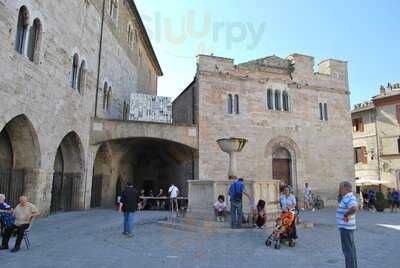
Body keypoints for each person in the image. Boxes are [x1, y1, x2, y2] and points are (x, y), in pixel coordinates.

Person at [337, 181, 358, 268]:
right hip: (346, 227)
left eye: (340, 188)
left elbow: (354, 208)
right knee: (350, 250)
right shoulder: (346, 197)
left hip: (346, 228)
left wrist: (346, 214)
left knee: (348, 251)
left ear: (345, 188)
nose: (339, 190)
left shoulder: (350, 197)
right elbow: (339, 199)